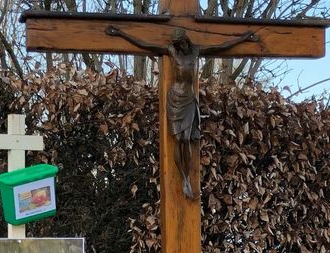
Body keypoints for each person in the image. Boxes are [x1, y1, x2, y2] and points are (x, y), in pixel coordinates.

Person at [105, 25, 258, 199]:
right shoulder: (172, 52)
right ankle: (184, 179)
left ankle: (189, 180)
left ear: (186, 40)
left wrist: (243, 38)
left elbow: (223, 46)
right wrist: (122, 33)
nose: (180, 46)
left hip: (188, 99)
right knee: (178, 140)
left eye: (182, 43)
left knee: (187, 139)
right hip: (175, 98)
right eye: (177, 44)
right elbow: (145, 45)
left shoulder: (196, 52)